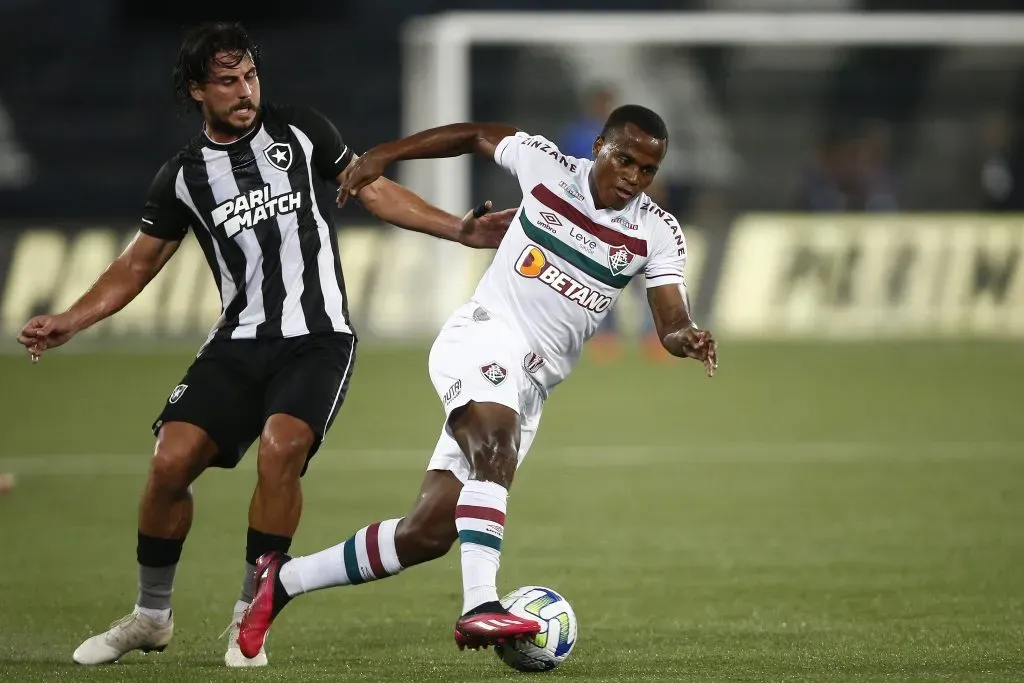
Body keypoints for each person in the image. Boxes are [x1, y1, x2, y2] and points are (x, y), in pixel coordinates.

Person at [15, 22, 512, 669]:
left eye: (249, 75)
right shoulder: (184, 177)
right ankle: (150, 614)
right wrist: (72, 319)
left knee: (281, 448)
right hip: (236, 343)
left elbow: (372, 188)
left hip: (318, 337)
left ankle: (251, 609)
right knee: (169, 462)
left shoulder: (301, 131)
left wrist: (459, 229)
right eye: (227, 80)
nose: (244, 90)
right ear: (198, 90)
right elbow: (138, 264)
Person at [235, 105, 718, 659]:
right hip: (483, 337)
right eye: (625, 160)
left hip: (530, 388)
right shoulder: (547, 166)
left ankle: (281, 583)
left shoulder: (656, 232)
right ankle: (480, 605)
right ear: (599, 148)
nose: (633, 178)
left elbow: (671, 322)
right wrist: (385, 154)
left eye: (647, 170)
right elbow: (472, 135)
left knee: (427, 534)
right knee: (496, 445)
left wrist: (690, 338)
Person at [559, 84, 668, 363]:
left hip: (629, 220)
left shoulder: (628, 137)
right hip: (592, 222)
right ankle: (607, 337)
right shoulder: (580, 136)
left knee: (643, 279)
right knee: (602, 279)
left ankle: (652, 336)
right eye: (604, 104)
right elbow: (570, 172)